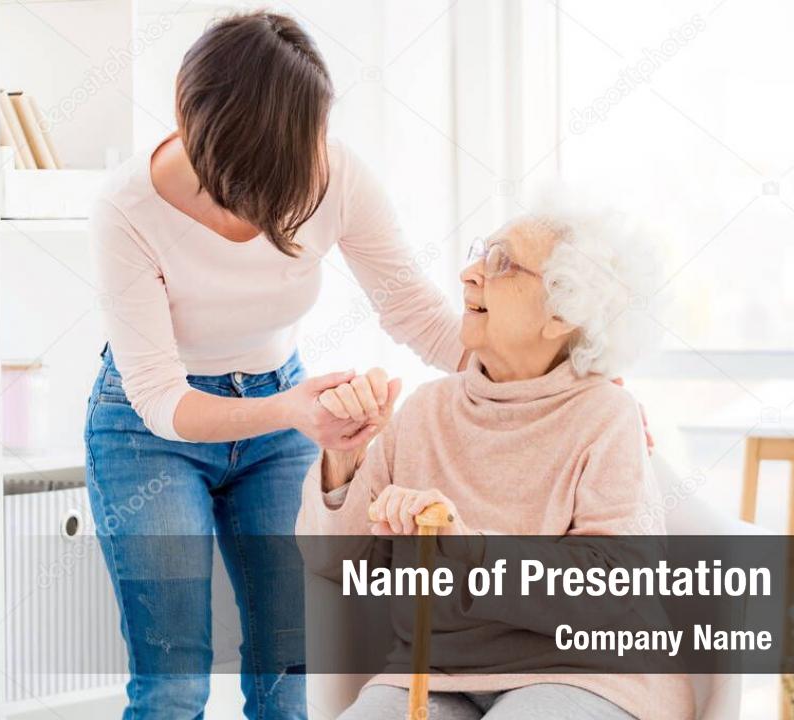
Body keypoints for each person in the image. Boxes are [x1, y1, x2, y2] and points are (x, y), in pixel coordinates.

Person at [85, 11, 467, 719]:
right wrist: (294, 411)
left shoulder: (332, 169)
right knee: (173, 684)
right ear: (216, 143)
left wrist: (562, 374)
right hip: (148, 434)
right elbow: (163, 400)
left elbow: (417, 312)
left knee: (291, 674)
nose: (310, 168)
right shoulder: (127, 209)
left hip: (276, 414)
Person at [296, 201, 695, 719]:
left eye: (501, 262)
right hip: (433, 672)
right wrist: (343, 458)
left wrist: (474, 552)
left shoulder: (605, 415)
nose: (468, 274)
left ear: (562, 312)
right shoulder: (425, 409)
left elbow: (616, 592)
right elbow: (336, 563)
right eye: (479, 255)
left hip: (590, 674)